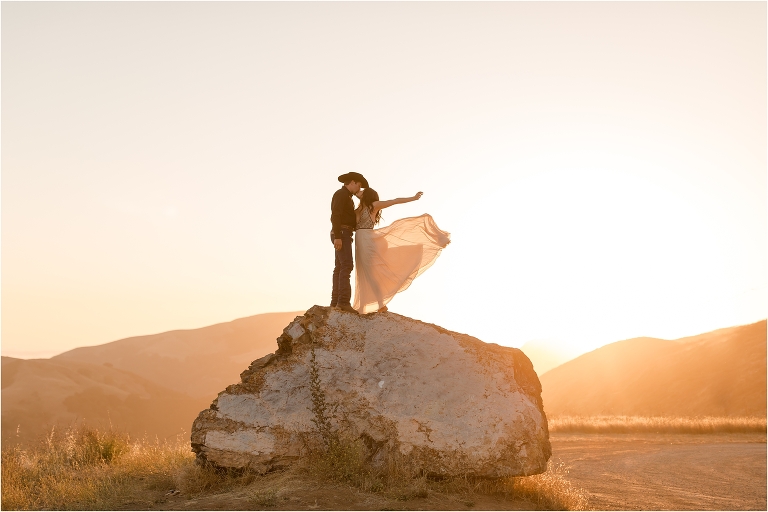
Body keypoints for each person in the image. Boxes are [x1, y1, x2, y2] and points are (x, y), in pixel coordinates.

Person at [351, 188, 450, 314]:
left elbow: (394, 201)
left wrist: (413, 198)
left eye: (361, 191)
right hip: (359, 240)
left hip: (368, 240)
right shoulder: (357, 209)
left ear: (366, 195)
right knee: (363, 272)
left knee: (370, 272)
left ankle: (380, 304)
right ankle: (364, 306)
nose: (358, 192)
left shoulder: (374, 205)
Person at [330, 172, 368, 313]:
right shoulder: (341, 194)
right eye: (358, 185)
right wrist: (338, 236)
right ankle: (343, 302)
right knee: (346, 265)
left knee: (340, 267)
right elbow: (336, 214)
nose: (359, 188)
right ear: (352, 182)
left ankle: (335, 302)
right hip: (342, 233)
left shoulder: (346, 196)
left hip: (343, 233)